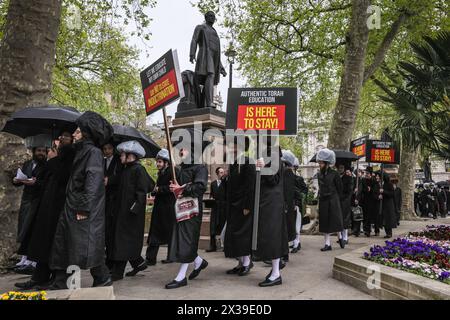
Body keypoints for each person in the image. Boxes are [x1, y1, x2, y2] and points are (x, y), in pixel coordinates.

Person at [49, 111, 113, 290]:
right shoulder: (81, 150)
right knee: (67, 244)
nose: (75, 133)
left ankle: (102, 277)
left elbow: (93, 183)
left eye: (78, 130)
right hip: (72, 205)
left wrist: (83, 209)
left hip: (81, 207)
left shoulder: (92, 152)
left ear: (86, 132)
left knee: (82, 245)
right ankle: (62, 281)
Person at [15, 132, 76, 290]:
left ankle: (54, 279)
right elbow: (45, 177)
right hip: (46, 205)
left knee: (52, 244)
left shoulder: (71, 155)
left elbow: (64, 176)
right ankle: (39, 277)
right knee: (42, 243)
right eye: (61, 137)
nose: (62, 139)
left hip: (59, 206)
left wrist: (54, 159)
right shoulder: (55, 156)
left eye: (66, 137)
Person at [166, 128, 209, 289]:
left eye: (183, 148)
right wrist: (174, 188)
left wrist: (181, 188)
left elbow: (200, 187)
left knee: (187, 240)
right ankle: (199, 262)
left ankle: (181, 276)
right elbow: (178, 188)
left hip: (192, 212)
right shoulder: (180, 169)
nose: (180, 151)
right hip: (180, 210)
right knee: (183, 240)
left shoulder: (200, 168)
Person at [110, 141, 154, 281]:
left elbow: (141, 193)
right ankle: (139, 263)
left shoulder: (138, 170)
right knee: (123, 243)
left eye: (122, 154)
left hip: (131, 215)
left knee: (124, 242)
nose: (120, 157)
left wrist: (133, 210)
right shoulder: (125, 169)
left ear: (130, 155)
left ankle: (117, 273)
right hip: (122, 213)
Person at [254, 143, 289, 287]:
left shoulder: (274, 159)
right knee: (271, 237)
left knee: (273, 238)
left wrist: (263, 167)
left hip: (272, 204)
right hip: (268, 203)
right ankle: (275, 271)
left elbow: (273, 180)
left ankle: (276, 274)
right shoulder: (272, 158)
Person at [13, 145, 48, 275]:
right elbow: (20, 179)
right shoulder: (27, 163)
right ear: (34, 152)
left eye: (43, 151)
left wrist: (36, 182)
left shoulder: (46, 166)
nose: (41, 153)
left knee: (31, 229)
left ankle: (32, 261)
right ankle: (24, 258)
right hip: (26, 199)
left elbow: (45, 183)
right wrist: (16, 180)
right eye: (39, 151)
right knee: (23, 228)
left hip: (38, 200)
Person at [223, 137, 256, 276]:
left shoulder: (248, 162)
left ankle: (247, 263)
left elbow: (250, 186)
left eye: (235, 145)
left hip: (243, 205)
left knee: (242, 235)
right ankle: (240, 263)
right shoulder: (233, 163)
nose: (232, 148)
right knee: (235, 236)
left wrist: (247, 205)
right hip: (233, 205)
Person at [146, 149, 177, 265]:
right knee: (154, 233)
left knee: (169, 233)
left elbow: (172, 188)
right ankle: (150, 258)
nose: (157, 164)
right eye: (157, 162)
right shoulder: (161, 173)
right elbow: (157, 188)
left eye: (159, 162)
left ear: (166, 162)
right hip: (159, 207)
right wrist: (154, 190)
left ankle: (171, 256)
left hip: (168, 208)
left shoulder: (172, 172)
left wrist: (159, 189)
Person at [189, 11, 227, 108]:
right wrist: (192, 54)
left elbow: (216, 52)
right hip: (205, 55)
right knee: (210, 75)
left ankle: (205, 102)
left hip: (214, 59)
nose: (212, 18)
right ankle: (209, 102)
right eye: (210, 16)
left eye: (214, 16)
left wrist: (221, 67)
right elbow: (194, 40)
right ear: (205, 17)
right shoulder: (201, 27)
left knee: (210, 77)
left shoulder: (214, 32)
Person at [316, 148, 345, 251]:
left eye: (321, 162)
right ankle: (327, 244)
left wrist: (336, 198)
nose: (319, 164)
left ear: (327, 163)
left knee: (335, 221)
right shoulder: (319, 174)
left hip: (333, 200)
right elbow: (320, 187)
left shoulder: (335, 174)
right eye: (319, 162)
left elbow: (340, 188)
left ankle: (340, 237)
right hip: (323, 200)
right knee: (324, 223)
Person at [102, 142, 123, 269]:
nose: (107, 151)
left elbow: (121, 177)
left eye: (109, 148)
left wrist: (110, 180)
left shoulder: (118, 161)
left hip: (114, 198)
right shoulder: (102, 161)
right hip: (104, 197)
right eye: (104, 148)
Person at [207, 167, 227, 252]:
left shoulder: (226, 183)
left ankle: (225, 246)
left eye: (223, 172)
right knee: (213, 226)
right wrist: (211, 198)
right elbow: (211, 194)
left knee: (223, 226)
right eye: (221, 172)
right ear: (217, 174)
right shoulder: (213, 184)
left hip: (223, 207)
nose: (222, 174)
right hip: (215, 207)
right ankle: (212, 246)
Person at [292, 157, 308, 252]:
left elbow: (304, 191)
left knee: (296, 224)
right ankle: (295, 242)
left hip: (296, 204)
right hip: (291, 203)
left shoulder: (299, 179)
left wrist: (299, 197)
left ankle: (296, 243)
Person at [336, 163, 353, 245]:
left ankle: (345, 237)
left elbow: (349, 191)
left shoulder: (349, 178)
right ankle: (340, 237)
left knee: (345, 219)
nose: (340, 169)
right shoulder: (336, 178)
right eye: (339, 168)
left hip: (345, 201)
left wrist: (344, 198)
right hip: (337, 200)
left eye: (342, 168)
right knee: (339, 219)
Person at [377, 172, 397, 238]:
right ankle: (387, 232)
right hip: (383, 204)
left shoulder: (389, 184)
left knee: (388, 219)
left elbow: (392, 194)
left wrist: (384, 192)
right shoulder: (380, 184)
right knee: (384, 219)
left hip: (388, 204)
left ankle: (389, 233)